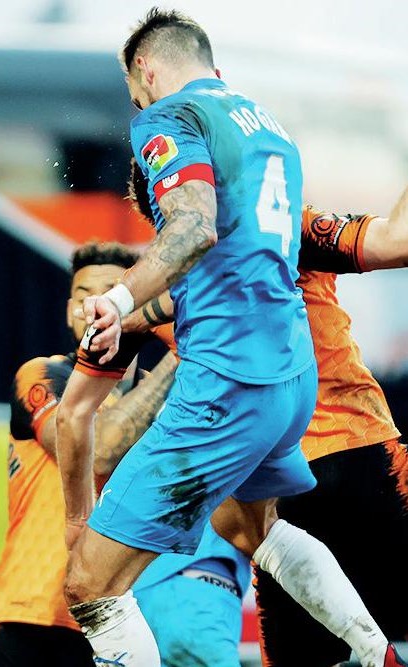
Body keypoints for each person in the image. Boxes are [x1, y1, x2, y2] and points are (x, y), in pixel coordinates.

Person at [59, 8, 404, 666]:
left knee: (87, 585)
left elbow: (191, 230)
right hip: (296, 389)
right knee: (249, 528)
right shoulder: (269, 131)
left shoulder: (167, 119)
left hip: (230, 387)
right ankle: (375, 652)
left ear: (146, 72)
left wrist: (117, 299)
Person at [126, 163, 408, 665]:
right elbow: (397, 241)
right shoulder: (286, 224)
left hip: (273, 486)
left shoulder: (158, 281)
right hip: (359, 457)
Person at [0, 242, 250, 667]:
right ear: (69, 312)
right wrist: (185, 357)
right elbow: (100, 452)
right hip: (25, 621)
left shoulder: (173, 402)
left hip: (114, 629)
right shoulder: (41, 376)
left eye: (112, 292)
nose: (96, 306)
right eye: (84, 297)